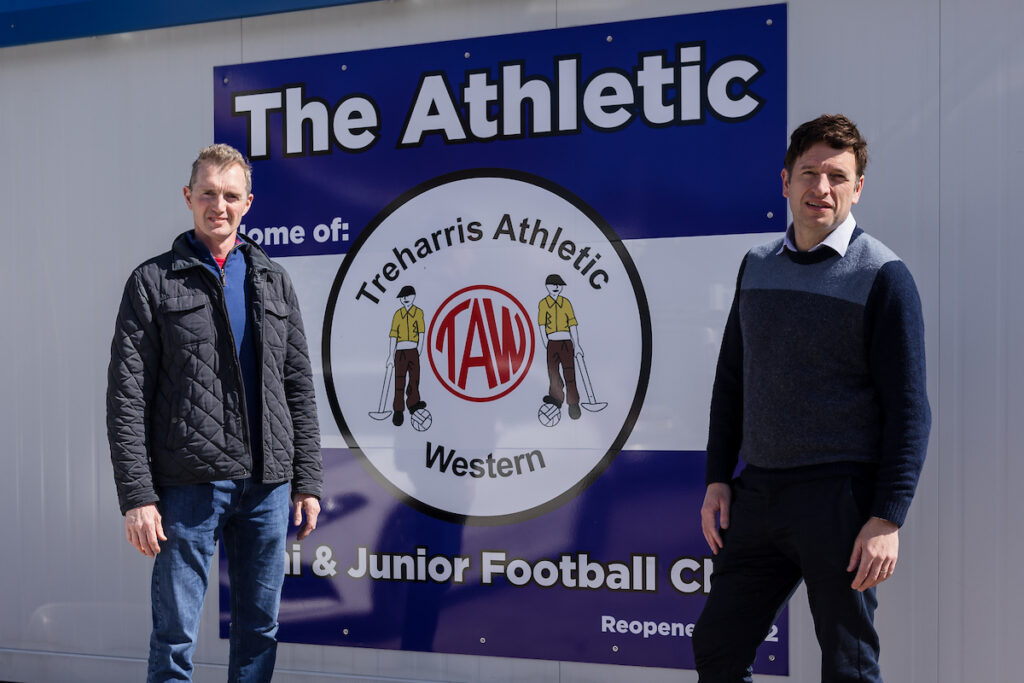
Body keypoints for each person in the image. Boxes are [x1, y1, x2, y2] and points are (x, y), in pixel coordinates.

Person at [692, 114, 931, 682]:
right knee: (717, 649)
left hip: (839, 501)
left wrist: (886, 517)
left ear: (857, 187)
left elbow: (909, 409)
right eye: (808, 173)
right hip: (759, 494)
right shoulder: (756, 266)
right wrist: (718, 478)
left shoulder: (883, 275)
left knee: (847, 666)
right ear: (785, 182)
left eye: (836, 177)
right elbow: (732, 380)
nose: (820, 188)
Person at [106, 143, 322, 682]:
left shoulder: (273, 280)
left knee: (259, 631)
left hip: (268, 486)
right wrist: (138, 497)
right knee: (175, 633)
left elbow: (298, 384)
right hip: (189, 486)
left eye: (230, 195)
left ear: (249, 202)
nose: (218, 206)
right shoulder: (153, 282)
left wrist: (308, 480)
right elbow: (126, 396)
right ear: (188, 197)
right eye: (207, 194)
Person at [538, 274, 583, 419]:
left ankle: (573, 403)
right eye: (553, 284)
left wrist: (577, 345)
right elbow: (541, 324)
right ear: (547, 286)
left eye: (559, 285)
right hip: (552, 342)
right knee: (553, 373)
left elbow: (573, 325)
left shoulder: (566, 303)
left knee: (569, 373)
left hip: (566, 343)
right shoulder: (543, 303)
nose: (556, 287)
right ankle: (556, 398)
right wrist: (545, 341)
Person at [387, 284, 427, 426]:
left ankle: (413, 404)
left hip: (413, 350)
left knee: (414, 379)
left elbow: (421, 333)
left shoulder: (419, 313)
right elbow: (393, 336)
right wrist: (390, 356)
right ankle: (398, 410)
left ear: (413, 296)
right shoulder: (398, 314)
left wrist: (419, 350)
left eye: (407, 296)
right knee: (399, 381)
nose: (405, 299)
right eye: (402, 297)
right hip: (401, 352)